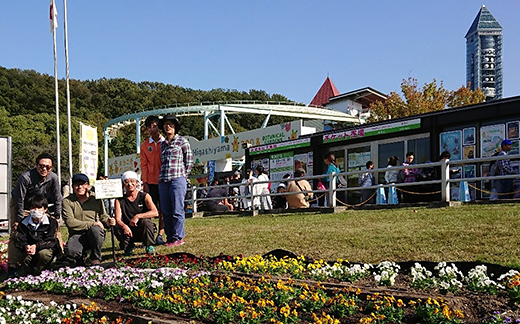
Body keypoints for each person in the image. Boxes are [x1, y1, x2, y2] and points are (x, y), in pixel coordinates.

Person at [8, 153, 63, 274]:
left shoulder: (53, 178)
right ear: (36, 165)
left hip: (41, 204)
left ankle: (60, 258)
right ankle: (12, 264)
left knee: (55, 229)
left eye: (47, 167)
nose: (44, 169)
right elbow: (19, 199)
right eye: (41, 166)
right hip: (23, 204)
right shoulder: (25, 177)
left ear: (51, 168)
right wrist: (19, 219)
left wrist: (57, 216)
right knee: (16, 232)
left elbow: (58, 197)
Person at [62, 173, 116, 266]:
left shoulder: (96, 199)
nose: (80, 187)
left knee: (96, 230)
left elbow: (103, 216)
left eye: (83, 184)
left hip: (94, 232)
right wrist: (92, 223)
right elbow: (70, 222)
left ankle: (95, 257)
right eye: (76, 184)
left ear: (88, 186)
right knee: (71, 251)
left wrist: (108, 221)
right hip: (77, 233)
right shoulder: (67, 201)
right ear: (72, 186)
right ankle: (80, 257)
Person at [158, 115, 194, 247]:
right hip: (163, 179)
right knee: (166, 210)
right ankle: (170, 237)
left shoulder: (182, 141)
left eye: (171, 124)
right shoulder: (162, 145)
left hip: (177, 179)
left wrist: (184, 175)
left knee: (177, 209)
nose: (168, 126)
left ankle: (179, 237)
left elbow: (189, 161)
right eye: (166, 124)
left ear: (175, 127)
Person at [114, 171, 158, 256]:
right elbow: (118, 219)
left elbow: (155, 212)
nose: (130, 184)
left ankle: (149, 246)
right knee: (116, 227)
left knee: (146, 222)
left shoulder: (145, 196)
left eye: (132, 181)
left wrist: (138, 216)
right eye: (126, 182)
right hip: (128, 229)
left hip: (142, 228)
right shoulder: (119, 200)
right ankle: (128, 246)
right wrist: (124, 227)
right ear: (123, 184)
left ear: (137, 182)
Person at [14, 194, 59, 275]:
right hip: (29, 250)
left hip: (44, 249)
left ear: (45, 209)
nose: (36, 211)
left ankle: (41, 272)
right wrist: (25, 246)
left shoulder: (51, 222)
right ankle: (28, 273)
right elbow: (19, 239)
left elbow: (51, 241)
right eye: (33, 208)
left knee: (44, 254)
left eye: (39, 208)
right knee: (20, 255)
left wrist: (36, 246)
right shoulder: (23, 223)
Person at [140, 115, 166, 246]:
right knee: (149, 209)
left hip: (164, 181)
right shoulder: (144, 145)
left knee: (163, 209)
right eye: (149, 127)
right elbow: (143, 164)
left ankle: (160, 234)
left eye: (154, 126)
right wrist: (145, 182)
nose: (152, 129)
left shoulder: (166, 142)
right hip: (150, 182)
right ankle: (148, 234)